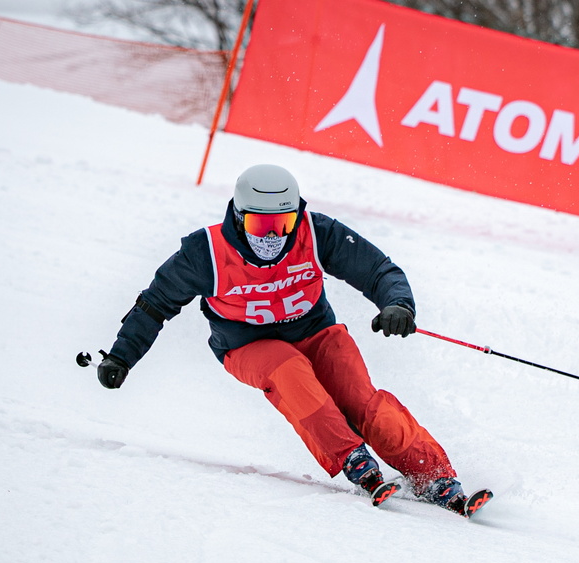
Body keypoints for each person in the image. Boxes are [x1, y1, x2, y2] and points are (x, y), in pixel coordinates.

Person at [95, 163, 487, 516]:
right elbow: (155, 304)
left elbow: (377, 270)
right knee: (290, 372)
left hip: (316, 331)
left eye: (283, 224)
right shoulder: (206, 252)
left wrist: (398, 305)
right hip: (246, 345)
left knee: (360, 400)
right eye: (259, 226)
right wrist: (121, 357)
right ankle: (352, 458)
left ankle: (433, 475)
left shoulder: (316, 233)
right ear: (237, 216)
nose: (272, 237)